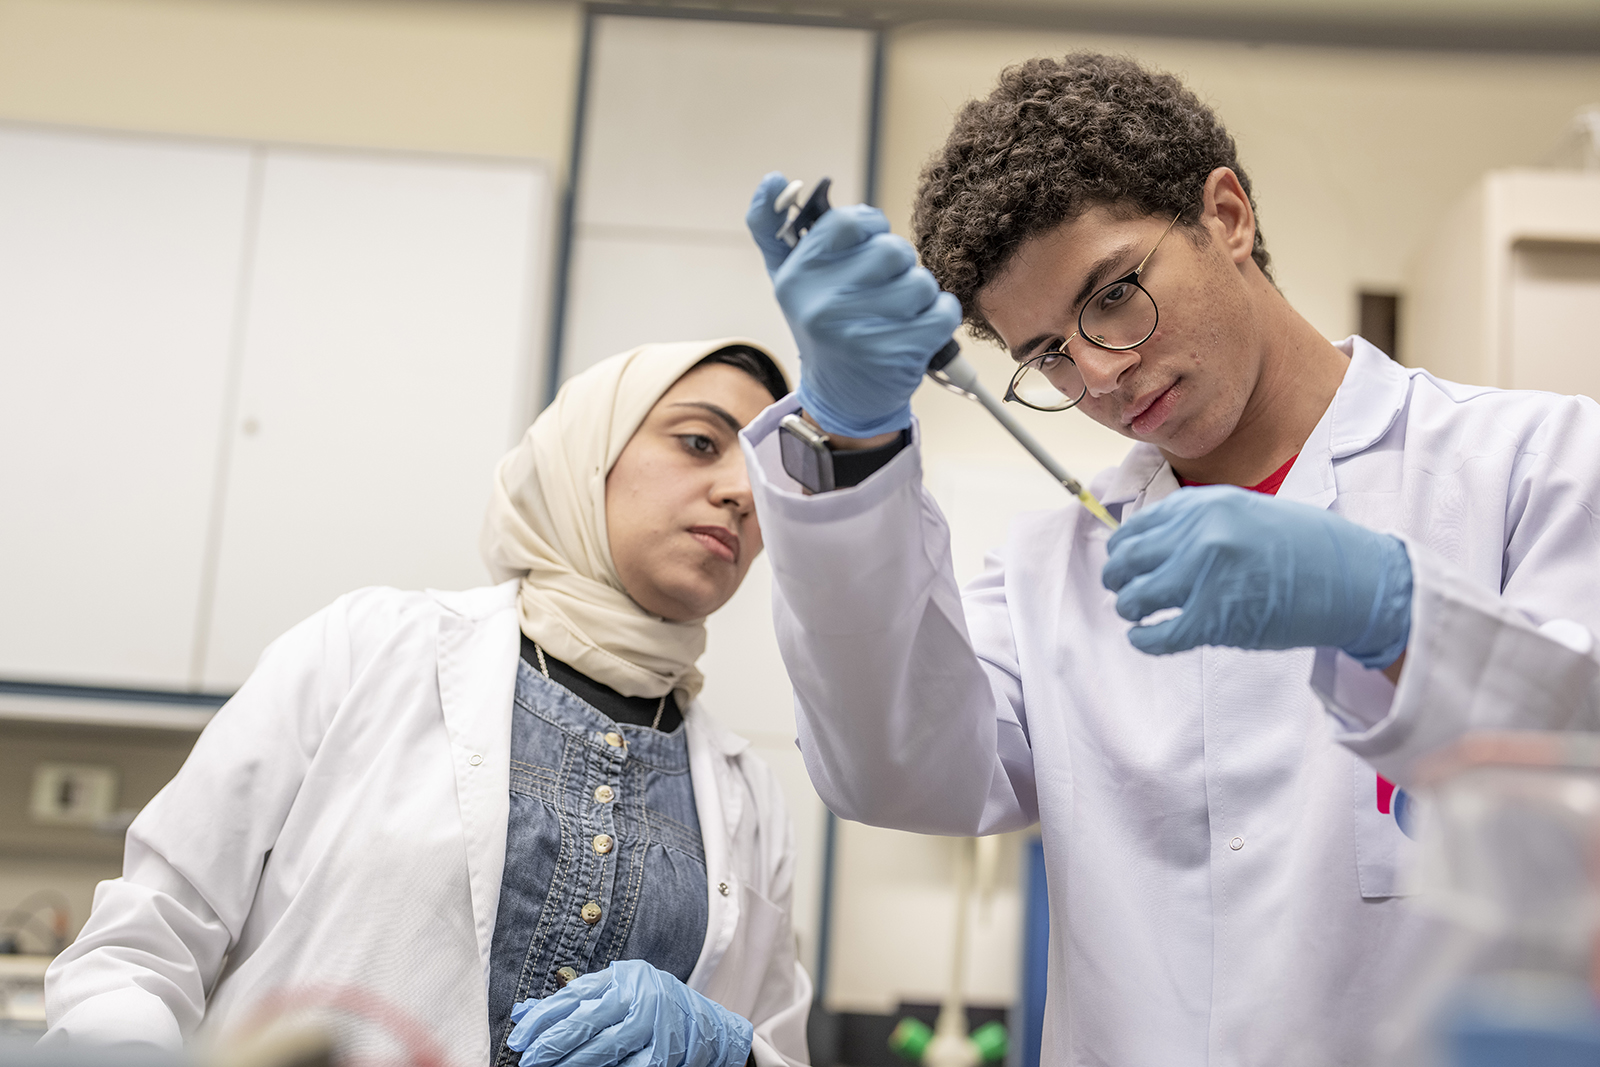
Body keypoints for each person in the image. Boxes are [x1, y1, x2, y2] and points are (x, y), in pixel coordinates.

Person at [738, 53, 1600, 1066]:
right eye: (1046, 353)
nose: (1098, 372)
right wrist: (851, 437)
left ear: (1226, 214)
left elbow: (1575, 803)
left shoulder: (1534, 466)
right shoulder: (1053, 568)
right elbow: (890, 770)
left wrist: (1395, 616)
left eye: (1112, 294)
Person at [42, 340, 810, 1067]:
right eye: (701, 443)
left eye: (765, 472)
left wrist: (728, 1049)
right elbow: (142, 949)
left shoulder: (748, 796)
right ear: (589, 455)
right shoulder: (365, 648)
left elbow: (777, 1041)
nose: (742, 492)